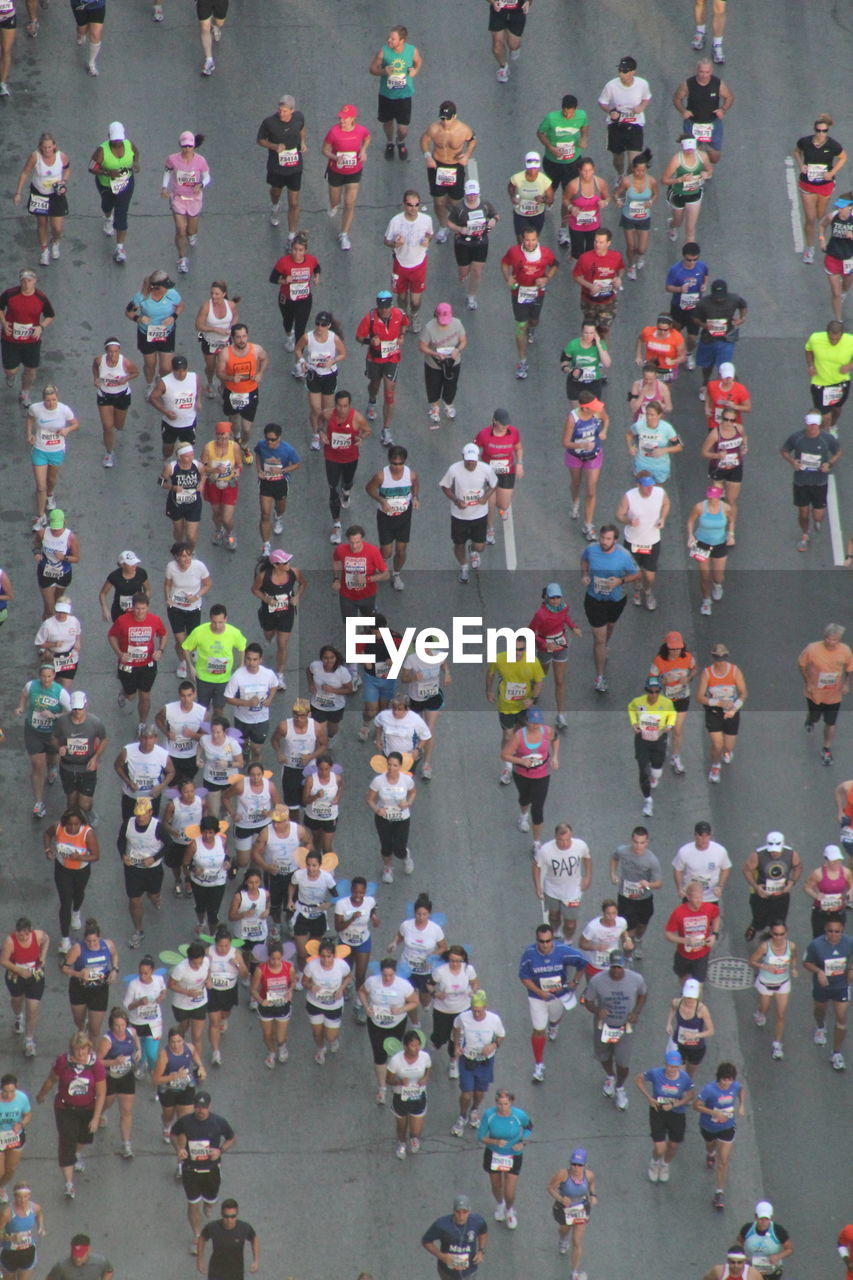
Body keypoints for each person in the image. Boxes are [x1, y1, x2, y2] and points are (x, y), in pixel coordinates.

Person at [35, 1030, 106, 1200]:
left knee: (83, 1138)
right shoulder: (63, 1062)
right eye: (77, 1049)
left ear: (89, 1048)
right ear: (71, 1049)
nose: (80, 1053)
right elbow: (52, 1079)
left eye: (83, 1049)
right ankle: (69, 1184)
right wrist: (42, 1094)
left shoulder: (96, 1065)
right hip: (65, 1109)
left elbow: (101, 1093)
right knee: (67, 1142)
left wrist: (96, 1117)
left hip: (88, 1109)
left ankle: (77, 1154)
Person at [518, 923, 584, 1083]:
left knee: (554, 1018)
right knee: (539, 1029)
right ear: (537, 941)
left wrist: (575, 981)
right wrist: (540, 992)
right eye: (542, 941)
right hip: (537, 997)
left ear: (553, 940)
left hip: (558, 995)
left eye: (548, 941)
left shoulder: (563, 951)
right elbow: (523, 977)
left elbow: (582, 962)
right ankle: (539, 1064)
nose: (545, 945)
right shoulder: (529, 954)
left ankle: (554, 1026)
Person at [579, 524, 640, 692]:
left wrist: (620, 581)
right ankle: (599, 676)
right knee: (599, 637)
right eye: (602, 538)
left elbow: (636, 573)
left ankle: (603, 647)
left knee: (609, 629)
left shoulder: (623, 555)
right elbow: (584, 559)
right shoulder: (591, 549)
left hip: (616, 599)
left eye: (608, 539)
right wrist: (584, 575)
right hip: (594, 599)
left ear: (615, 540)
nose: (604, 542)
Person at [584, 950, 647, 1109]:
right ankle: (610, 1076)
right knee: (603, 1056)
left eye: (619, 967)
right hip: (603, 1026)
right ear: (609, 966)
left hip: (624, 1027)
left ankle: (619, 1087)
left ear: (624, 966)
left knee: (623, 1062)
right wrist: (597, 1010)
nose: (617, 971)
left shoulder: (636, 979)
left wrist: (636, 1012)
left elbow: (643, 994)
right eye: (614, 967)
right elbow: (587, 1000)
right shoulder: (597, 981)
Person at [172, 1092, 236, 1243]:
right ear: (194, 1107)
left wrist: (220, 1150)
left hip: (211, 1170)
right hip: (191, 1170)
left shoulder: (218, 1122)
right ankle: (197, 1236)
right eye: (198, 1107)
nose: (201, 1111)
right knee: (193, 1204)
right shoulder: (185, 1122)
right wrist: (179, 1149)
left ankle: (208, 1205)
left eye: (204, 1107)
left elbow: (231, 1138)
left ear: (210, 1106)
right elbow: (174, 1134)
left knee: (210, 1200)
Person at [500, 226, 558, 379]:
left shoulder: (545, 253)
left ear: (537, 239)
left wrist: (547, 278)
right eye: (527, 240)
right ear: (522, 240)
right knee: (520, 326)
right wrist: (508, 278)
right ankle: (522, 360)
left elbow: (555, 265)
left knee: (534, 320)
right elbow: (505, 263)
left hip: (537, 293)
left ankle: (532, 328)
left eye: (533, 240)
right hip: (518, 292)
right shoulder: (514, 252)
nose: (530, 243)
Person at [780, 410, 842, 552]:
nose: (813, 427)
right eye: (810, 423)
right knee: (803, 512)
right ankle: (805, 535)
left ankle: (817, 517)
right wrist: (792, 461)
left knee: (818, 516)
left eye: (816, 424)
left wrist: (829, 464)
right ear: (806, 423)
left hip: (819, 482)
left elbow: (838, 452)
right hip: (801, 481)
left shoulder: (827, 439)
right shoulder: (797, 437)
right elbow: (784, 451)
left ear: (819, 424)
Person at [355, 291, 410, 444]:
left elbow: (405, 323)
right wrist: (370, 341)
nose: (384, 310)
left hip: (392, 358)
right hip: (375, 359)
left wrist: (402, 336)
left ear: (391, 305)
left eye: (387, 307)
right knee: (374, 384)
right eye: (381, 307)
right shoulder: (370, 318)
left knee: (389, 392)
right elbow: (358, 337)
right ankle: (372, 401)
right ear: (377, 305)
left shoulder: (399, 314)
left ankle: (386, 430)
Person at [16, 663, 69, 818]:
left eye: (49, 676)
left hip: (52, 733)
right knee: (37, 765)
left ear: (54, 676)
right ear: (40, 676)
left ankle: (52, 767)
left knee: (52, 756)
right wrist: (21, 707)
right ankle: (39, 803)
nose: (46, 680)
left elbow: (71, 711)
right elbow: (24, 695)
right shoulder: (31, 686)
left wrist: (55, 716)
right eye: (44, 676)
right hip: (33, 731)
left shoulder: (60, 692)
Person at [419, 101, 478, 241]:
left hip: (455, 166)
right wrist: (427, 156)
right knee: (438, 201)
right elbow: (423, 141)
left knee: (454, 202)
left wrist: (467, 155)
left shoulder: (464, 130)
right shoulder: (434, 128)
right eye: (443, 119)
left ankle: (459, 223)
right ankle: (443, 226)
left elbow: (473, 140)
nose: (445, 122)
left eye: (448, 119)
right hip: (437, 166)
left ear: (455, 116)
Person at [634, 1049, 695, 1182]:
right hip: (658, 1111)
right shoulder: (656, 1073)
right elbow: (638, 1079)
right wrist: (649, 1098)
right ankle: (655, 1162)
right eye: (669, 1066)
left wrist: (677, 1104)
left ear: (679, 1066)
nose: (671, 1069)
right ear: (664, 1064)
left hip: (677, 1114)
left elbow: (691, 1094)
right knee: (660, 1147)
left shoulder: (684, 1078)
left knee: (673, 1145)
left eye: (675, 1067)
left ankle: (665, 1164)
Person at [439, 444, 497, 583]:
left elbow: (494, 484)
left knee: (480, 546)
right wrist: (456, 500)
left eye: (473, 460)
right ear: (463, 457)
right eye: (468, 460)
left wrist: (486, 497)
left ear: (477, 458)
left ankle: (473, 550)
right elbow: (445, 486)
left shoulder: (486, 469)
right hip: (459, 516)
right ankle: (464, 567)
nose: (471, 463)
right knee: (459, 544)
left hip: (479, 515)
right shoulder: (454, 469)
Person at [501, 707, 557, 850]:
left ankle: (537, 843)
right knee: (525, 799)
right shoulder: (519, 736)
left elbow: (555, 739)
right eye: (532, 722)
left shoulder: (546, 731)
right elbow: (505, 755)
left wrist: (555, 756)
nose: (536, 725)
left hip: (542, 774)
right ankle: (523, 815)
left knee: (538, 808)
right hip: (522, 774)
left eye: (538, 722)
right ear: (527, 721)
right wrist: (521, 761)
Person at [107, 595, 167, 727]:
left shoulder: (155, 620)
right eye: (138, 609)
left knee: (145, 695)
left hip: (148, 664)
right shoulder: (122, 620)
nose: (140, 612)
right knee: (131, 696)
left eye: (143, 608)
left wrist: (160, 650)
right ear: (132, 608)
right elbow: (111, 636)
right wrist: (119, 653)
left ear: (148, 607)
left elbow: (163, 634)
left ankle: (142, 722)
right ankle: (124, 692)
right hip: (128, 665)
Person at [526, 584, 579, 731]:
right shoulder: (541, 614)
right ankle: (530, 699)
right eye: (552, 598)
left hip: (561, 645)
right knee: (540, 678)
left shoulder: (564, 607)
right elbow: (530, 631)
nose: (556, 601)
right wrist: (544, 643)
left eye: (558, 597)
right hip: (545, 648)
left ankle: (561, 715)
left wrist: (573, 627)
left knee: (560, 681)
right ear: (546, 598)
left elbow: (565, 617)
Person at [365, 445, 419, 591]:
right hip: (385, 517)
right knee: (386, 552)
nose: (397, 467)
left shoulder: (411, 475)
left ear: (405, 462)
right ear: (389, 461)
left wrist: (415, 498)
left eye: (400, 463)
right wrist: (381, 501)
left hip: (404, 516)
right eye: (394, 464)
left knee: (401, 549)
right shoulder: (381, 476)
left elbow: (415, 486)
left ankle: (396, 574)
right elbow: (369, 489)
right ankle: (379, 565)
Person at [798, 623, 853, 765]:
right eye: (828, 639)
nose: (830, 642)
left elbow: (849, 668)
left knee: (830, 722)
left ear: (839, 639)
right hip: (815, 692)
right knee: (815, 717)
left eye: (834, 639)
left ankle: (826, 748)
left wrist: (847, 683)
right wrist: (808, 682)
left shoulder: (845, 650)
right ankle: (810, 720)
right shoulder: (812, 648)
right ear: (824, 637)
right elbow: (801, 664)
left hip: (834, 694)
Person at [13, 133, 71, 265]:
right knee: (42, 223)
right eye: (44, 147)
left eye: (50, 147)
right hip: (39, 193)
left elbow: (67, 170)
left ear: (54, 146)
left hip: (56, 195)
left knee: (57, 227)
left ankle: (55, 242)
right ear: (40, 147)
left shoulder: (61, 156)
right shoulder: (35, 157)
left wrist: (63, 181)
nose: (47, 150)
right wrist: (18, 193)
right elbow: (25, 173)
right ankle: (44, 251)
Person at [320, 389, 370, 543]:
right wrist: (320, 432)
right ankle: (336, 524)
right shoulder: (328, 414)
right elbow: (319, 421)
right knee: (333, 489)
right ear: (335, 405)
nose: (342, 409)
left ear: (349, 405)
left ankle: (347, 491)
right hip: (332, 457)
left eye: (345, 406)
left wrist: (361, 438)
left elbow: (367, 430)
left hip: (350, 457)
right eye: (340, 406)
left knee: (347, 482)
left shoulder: (357, 418)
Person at [794, 117, 846, 264]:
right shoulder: (805, 142)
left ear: (827, 131)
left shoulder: (833, 145)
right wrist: (801, 165)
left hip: (825, 185)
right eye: (818, 130)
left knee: (819, 214)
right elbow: (797, 152)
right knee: (810, 219)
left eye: (824, 131)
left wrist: (832, 173)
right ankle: (810, 248)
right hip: (807, 184)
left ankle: (823, 231)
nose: (821, 133)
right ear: (814, 130)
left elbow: (843, 157)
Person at [615, 471, 670, 612]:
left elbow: (666, 504)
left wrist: (662, 518)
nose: (649, 489)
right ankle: (637, 589)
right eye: (646, 486)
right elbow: (619, 515)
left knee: (650, 575)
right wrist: (629, 521)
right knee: (635, 572)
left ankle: (648, 592)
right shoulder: (629, 497)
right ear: (638, 485)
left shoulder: (659, 492)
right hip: (633, 541)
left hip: (652, 541)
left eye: (651, 485)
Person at [477, 1089, 531, 1230]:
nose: (503, 1107)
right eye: (500, 1104)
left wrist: (522, 1142)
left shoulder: (519, 1115)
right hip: (494, 1153)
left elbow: (528, 1127)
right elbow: (481, 1136)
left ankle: (509, 1209)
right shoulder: (489, 1115)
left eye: (506, 1104)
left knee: (509, 1191)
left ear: (511, 1103)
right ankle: (500, 1204)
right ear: (496, 1103)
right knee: (496, 1186)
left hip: (513, 1154)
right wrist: (495, 1142)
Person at [118, 796, 169, 947]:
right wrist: (123, 855)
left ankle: (154, 897)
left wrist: (154, 858)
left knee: (153, 894)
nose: (140, 818)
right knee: (134, 900)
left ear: (151, 812)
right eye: (138, 814)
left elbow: (169, 844)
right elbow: (120, 840)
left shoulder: (158, 827)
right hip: (133, 868)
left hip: (152, 869)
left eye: (143, 814)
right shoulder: (128, 824)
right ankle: (138, 930)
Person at [0, 268, 55, 407]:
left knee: (30, 369)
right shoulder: (10, 294)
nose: (26, 284)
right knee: (11, 369)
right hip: (10, 339)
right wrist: (4, 322)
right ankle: (10, 375)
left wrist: (41, 327)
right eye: (23, 281)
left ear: (35, 281)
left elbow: (50, 315)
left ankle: (25, 393)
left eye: (29, 281)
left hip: (31, 341)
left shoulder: (40, 297)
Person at [694, 1063, 746, 1209]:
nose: (726, 1083)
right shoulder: (709, 1090)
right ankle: (710, 1152)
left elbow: (741, 1090)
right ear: (719, 1078)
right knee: (710, 1145)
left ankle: (719, 1192)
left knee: (723, 1161)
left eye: (729, 1080)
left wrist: (742, 1105)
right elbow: (696, 1105)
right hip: (708, 1126)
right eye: (724, 1080)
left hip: (727, 1127)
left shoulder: (735, 1086)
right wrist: (714, 1113)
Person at [26, 386, 78, 529]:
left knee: (51, 479)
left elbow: (75, 424)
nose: (51, 403)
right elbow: (30, 418)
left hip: (56, 450)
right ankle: (41, 516)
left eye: (54, 399)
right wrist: (29, 434)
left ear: (57, 398)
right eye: (48, 400)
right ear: (43, 400)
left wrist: (67, 429)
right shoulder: (35, 408)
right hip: (40, 450)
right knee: (40, 486)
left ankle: (50, 494)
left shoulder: (64, 409)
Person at [52, 692, 109, 823]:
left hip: (87, 767)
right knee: (71, 801)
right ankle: (73, 821)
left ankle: (88, 811)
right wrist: (58, 748)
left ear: (86, 705)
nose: (77, 712)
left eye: (80, 708)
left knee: (84, 803)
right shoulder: (62, 722)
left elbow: (104, 739)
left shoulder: (95, 722)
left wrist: (95, 758)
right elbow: (53, 737)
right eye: (75, 709)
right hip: (67, 766)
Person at [215, 324, 269, 464]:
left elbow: (264, 358)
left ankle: (244, 445)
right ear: (232, 338)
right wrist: (231, 378)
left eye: (244, 336)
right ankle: (236, 438)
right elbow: (219, 373)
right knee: (233, 420)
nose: (242, 340)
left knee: (247, 428)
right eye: (238, 337)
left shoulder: (256, 349)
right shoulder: (225, 353)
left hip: (250, 392)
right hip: (232, 392)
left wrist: (260, 373)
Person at [321, 104, 371, 251]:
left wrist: (363, 151)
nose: (341, 121)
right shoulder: (333, 132)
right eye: (340, 118)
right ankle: (333, 206)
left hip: (354, 171)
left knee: (349, 203)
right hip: (336, 170)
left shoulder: (360, 130)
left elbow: (367, 138)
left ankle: (344, 234)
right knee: (335, 200)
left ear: (353, 119)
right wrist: (335, 158)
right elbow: (324, 150)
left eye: (345, 118)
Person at [125, 268, 183, 393]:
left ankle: (162, 384)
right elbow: (129, 312)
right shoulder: (141, 297)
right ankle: (150, 384)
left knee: (166, 368)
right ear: (156, 287)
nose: (167, 288)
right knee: (150, 364)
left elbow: (180, 305)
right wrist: (139, 319)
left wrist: (173, 317)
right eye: (165, 286)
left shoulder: (172, 294)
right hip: (147, 334)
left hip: (167, 333)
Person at [696, 643, 747, 781]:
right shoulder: (707, 673)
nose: (720, 662)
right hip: (714, 712)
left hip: (731, 711)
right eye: (717, 658)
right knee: (717, 744)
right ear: (713, 658)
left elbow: (743, 693)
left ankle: (727, 752)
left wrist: (734, 708)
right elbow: (699, 697)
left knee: (728, 747)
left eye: (723, 658)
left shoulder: (735, 671)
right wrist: (717, 703)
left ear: (727, 657)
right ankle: (715, 766)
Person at [532, 824, 591, 942]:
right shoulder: (546, 850)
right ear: (555, 837)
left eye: (567, 840)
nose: (564, 844)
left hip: (573, 891)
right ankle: (555, 931)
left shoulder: (580, 846)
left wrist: (587, 876)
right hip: (552, 890)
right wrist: (538, 886)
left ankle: (568, 940)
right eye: (560, 840)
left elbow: (587, 858)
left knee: (570, 923)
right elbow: (536, 866)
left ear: (571, 836)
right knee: (554, 915)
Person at [88, 124, 139, 262]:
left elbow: (136, 153)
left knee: (121, 213)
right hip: (106, 185)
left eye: (120, 140)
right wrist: (106, 172)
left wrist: (135, 163)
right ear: (109, 137)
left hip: (125, 183)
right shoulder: (101, 151)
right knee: (107, 206)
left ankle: (120, 248)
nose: (117, 143)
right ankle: (108, 217)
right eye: (114, 140)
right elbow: (91, 167)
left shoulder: (129, 144)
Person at [256, 94, 306, 234]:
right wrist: (274, 146)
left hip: (295, 167)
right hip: (276, 167)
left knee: (294, 202)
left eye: (284, 111)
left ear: (292, 111)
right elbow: (260, 140)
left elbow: (302, 128)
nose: (281, 113)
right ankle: (275, 205)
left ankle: (291, 235)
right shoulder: (269, 122)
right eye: (279, 110)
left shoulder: (298, 118)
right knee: (276, 192)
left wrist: (302, 143)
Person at [369, 26, 422, 160]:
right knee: (387, 123)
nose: (389, 40)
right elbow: (372, 69)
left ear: (402, 40)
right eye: (389, 38)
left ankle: (400, 141)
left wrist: (415, 71)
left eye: (393, 39)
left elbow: (418, 61)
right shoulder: (383, 52)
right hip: (386, 95)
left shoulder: (412, 51)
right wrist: (383, 71)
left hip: (404, 96)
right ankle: (390, 142)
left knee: (403, 129)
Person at [223, 643, 281, 764]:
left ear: (260, 660)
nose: (251, 662)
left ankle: (254, 770)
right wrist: (247, 703)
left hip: (261, 719)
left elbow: (274, 685)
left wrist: (270, 698)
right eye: (248, 659)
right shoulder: (238, 676)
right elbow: (227, 698)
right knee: (242, 744)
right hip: (242, 719)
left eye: (255, 659)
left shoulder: (268, 674)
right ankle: (244, 751)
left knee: (257, 749)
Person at [627, 677, 676, 817]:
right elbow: (630, 708)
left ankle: (654, 776)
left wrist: (669, 725)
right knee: (643, 769)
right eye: (650, 691)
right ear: (646, 690)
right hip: (642, 739)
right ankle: (648, 800)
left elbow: (672, 714)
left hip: (659, 739)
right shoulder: (638, 701)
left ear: (660, 691)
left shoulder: (666, 703)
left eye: (656, 692)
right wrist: (634, 723)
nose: (653, 694)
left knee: (657, 768)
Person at [384, 191, 434, 331]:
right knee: (401, 295)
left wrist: (427, 240)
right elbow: (386, 240)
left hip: (419, 264)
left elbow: (430, 234)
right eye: (410, 205)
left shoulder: (426, 219)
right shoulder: (396, 221)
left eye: (416, 205)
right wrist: (395, 244)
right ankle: (403, 316)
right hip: (400, 263)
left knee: (415, 300)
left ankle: (414, 314)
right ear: (404, 205)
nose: (413, 208)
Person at [749, 922, 799, 1060]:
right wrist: (764, 966)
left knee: (780, 1015)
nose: (779, 937)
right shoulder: (765, 947)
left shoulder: (791, 946)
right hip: (766, 982)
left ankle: (777, 1044)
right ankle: (760, 1012)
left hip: (783, 982)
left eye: (782, 934)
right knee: (765, 1007)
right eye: (776, 934)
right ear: (771, 933)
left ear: (786, 933)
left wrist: (794, 968)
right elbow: (751, 961)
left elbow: (793, 957)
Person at [161, 133, 210, 274]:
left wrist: (201, 184)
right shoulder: (172, 159)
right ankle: (182, 258)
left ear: (194, 146)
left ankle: (192, 235)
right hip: (178, 198)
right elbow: (167, 172)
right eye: (184, 146)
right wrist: (164, 187)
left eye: (189, 146)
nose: (187, 149)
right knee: (180, 230)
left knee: (190, 231)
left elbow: (207, 177)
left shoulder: (201, 161)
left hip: (194, 199)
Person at [446, 180, 499, 310]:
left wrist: (493, 220)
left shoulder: (485, 205)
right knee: (464, 272)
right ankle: (463, 273)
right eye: (469, 194)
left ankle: (471, 297)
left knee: (476, 272)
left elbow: (496, 215)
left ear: (478, 193)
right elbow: (449, 223)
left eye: (474, 194)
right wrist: (460, 229)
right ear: (465, 194)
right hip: (462, 243)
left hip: (480, 241)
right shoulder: (458, 208)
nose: (472, 197)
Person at [610, 827, 662, 958]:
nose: (638, 846)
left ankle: (638, 941)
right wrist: (613, 873)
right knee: (628, 930)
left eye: (642, 843)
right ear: (631, 840)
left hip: (644, 898)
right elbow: (614, 858)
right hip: (626, 896)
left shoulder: (652, 860)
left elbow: (659, 883)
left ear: (647, 842)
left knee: (641, 926)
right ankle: (628, 955)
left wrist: (649, 885)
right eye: (636, 842)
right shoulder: (623, 851)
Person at [181, 605, 246, 711]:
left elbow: (242, 647)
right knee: (202, 710)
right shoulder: (199, 632)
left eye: (220, 622)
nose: (217, 626)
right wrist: (190, 667)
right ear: (210, 618)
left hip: (223, 679)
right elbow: (185, 647)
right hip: (203, 678)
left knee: (219, 709)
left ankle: (217, 727)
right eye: (214, 622)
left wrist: (241, 665)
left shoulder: (234, 633)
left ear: (226, 619)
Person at [563, 394, 609, 541]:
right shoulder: (573, 419)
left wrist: (603, 431)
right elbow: (565, 442)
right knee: (576, 483)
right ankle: (575, 501)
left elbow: (606, 419)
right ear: (584, 407)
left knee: (591, 489)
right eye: (593, 406)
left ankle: (588, 524)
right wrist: (581, 445)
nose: (597, 408)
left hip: (593, 455)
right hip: (575, 455)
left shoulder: (597, 411)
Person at [96, 1007, 140, 1158]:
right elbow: (97, 1062)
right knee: (107, 1102)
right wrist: (114, 1061)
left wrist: (139, 1050)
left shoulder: (131, 1032)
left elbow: (136, 1038)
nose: (120, 1029)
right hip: (110, 1076)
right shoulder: (107, 1041)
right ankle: (100, 1112)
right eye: (117, 1026)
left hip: (126, 1075)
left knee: (126, 1110)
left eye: (123, 1025)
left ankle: (126, 1144)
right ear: (111, 1026)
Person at [742, 831, 802, 942]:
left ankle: (772, 941)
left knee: (779, 922)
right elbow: (746, 870)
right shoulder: (757, 855)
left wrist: (792, 882)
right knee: (760, 921)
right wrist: (756, 887)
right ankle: (755, 926)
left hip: (781, 895)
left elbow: (798, 867)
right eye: (772, 850)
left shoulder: (791, 854)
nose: (774, 853)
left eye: (777, 851)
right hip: (761, 895)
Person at [1, 917, 48, 1057]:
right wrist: (19, 970)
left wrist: (43, 957)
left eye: (26, 935)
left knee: (33, 1008)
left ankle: (29, 1040)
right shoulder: (10, 941)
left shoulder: (38, 935)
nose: (23, 937)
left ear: (30, 931)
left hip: (35, 974)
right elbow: (3, 960)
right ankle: (18, 1016)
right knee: (17, 1000)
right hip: (16, 975)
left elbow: (47, 940)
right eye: (20, 935)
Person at [598, 56, 652, 176]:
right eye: (620, 71)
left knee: (634, 162)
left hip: (635, 123)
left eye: (625, 71)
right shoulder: (611, 86)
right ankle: (620, 174)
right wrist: (610, 111)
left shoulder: (642, 84)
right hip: (616, 124)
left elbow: (646, 97)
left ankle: (627, 179)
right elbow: (602, 102)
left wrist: (642, 107)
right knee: (618, 158)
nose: (621, 74)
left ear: (633, 72)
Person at [672, 60, 734, 165]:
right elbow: (677, 99)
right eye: (701, 72)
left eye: (707, 72)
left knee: (715, 158)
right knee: (690, 153)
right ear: (697, 71)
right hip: (692, 123)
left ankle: (704, 160)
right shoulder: (688, 84)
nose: (704, 75)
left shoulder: (717, 83)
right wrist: (683, 111)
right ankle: (696, 171)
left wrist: (723, 109)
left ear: (711, 71)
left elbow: (729, 97)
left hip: (712, 122)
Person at [270, 233, 320, 360]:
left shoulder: (311, 260)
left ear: (305, 251)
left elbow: (316, 267)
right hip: (287, 299)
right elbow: (273, 278)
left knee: (300, 330)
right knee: (287, 323)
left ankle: (299, 363)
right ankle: (289, 335)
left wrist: (316, 276)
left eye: (300, 250)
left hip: (304, 300)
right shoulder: (284, 262)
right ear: (291, 249)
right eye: (295, 249)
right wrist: (285, 281)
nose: (297, 253)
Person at [686, 484, 735, 614]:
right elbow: (691, 521)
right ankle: (706, 600)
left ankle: (717, 586)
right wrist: (690, 535)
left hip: (719, 544)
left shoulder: (726, 508)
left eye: (715, 497)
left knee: (718, 577)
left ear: (720, 497)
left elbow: (731, 521)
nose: (712, 499)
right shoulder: (699, 507)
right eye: (710, 496)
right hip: (701, 544)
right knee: (704, 575)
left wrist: (731, 534)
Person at [367, 753, 416, 882]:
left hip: (402, 818)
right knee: (386, 846)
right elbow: (370, 799)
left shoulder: (406, 780)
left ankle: (405, 856)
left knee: (399, 849)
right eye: (389, 764)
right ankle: (387, 868)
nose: (391, 768)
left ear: (400, 766)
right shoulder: (378, 780)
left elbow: (413, 792)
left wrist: (408, 803)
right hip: (384, 818)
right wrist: (377, 810)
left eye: (395, 765)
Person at [163, 542, 211, 673]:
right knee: (181, 641)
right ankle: (184, 663)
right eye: (183, 556)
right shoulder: (171, 567)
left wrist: (196, 596)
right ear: (177, 557)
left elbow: (207, 584)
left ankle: (190, 653)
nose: (186, 559)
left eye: (189, 555)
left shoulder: (199, 566)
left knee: (192, 639)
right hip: (176, 608)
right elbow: (167, 584)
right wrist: (167, 598)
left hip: (193, 609)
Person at [151, 1026, 205, 1143]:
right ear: (169, 1041)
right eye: (173, 1042)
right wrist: (174, 1076)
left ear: (183, 1041)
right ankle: (166, 1126)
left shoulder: (189, 1048)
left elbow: (194, 1054)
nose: (176, 1045)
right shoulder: (164, 1056)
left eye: (179, 1041)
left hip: (186, 1087)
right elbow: (155, 1080)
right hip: (168, 1089)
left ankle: (182, 1148)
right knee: (168, 1115)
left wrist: (200, 1066)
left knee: (185, 1119)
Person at [547, 1149, 598, 1272]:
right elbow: (550, 1188)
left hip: (581, 1207)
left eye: (579, 1165)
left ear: (584, 1165)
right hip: (564, 1208)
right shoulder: (563, 1174)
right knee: (564, 1230)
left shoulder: (589, 1175)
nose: (576, 1167)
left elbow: (591, 1185)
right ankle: (563, 1239)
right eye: (573, 1164)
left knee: (576, 1241)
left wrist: (593, 1195)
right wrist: (560, 1198)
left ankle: (574, 1272)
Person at [92, 338, 140, 467]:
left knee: (118, 426)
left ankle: (116, 428)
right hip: (104, 395)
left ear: (119, 351)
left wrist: (126, 378)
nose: (113, 354)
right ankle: (109, 453)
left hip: (122, 395)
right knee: (107, 426)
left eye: (115, 351)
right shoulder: (99, 360)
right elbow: (95, 367)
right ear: (106, 351)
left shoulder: (125, 363)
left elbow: (136, 372)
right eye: (110, 351)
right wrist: (96, 378)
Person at [253, 423, 300, 554]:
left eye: (273, 439)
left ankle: (278, 517)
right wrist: (259, 470)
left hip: (281, 483)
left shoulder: (288, 450)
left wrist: (283, 470)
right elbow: (257, 454)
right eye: (267, 439)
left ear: (279, 438)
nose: (269, 442)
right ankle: (266, 544)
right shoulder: (261, 445)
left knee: (280, 507)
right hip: (266, 483)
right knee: (264, 514)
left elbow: (296, 464)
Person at [694, 278, 747, 392]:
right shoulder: (703, 303)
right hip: (708, 337)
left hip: (727, 337)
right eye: (717, 296)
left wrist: (741, 319)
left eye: (722, 296)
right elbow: (695, 318)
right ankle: (706, 383)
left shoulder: (734, 298)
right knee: (707, 364)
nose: (719, 299)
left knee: (724, 365)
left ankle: (720, 388)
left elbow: (743, 306)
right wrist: (703, 325)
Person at [700, 403, 747, 531]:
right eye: (725, 419)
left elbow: (744, 438)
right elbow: (704, 452)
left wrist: (744, 447)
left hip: (735, 468)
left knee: (731, 500)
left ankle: (731, 530)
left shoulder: (739, 429)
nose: (728, 423)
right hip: (718, 469)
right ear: (721, 419)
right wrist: (717, 455)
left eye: (732, 420)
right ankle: (716, 524)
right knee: (716, 499)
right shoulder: (715, 434)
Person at [537, 95, 590, 210]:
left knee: (568, 193)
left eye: (570, 113)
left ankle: (564, 224)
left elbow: (584, 127)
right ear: (562, 109)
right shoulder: (551, 118)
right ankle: (549, 203)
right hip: (553, 161)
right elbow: (540, 133)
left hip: (573, 162)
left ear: (576, 109)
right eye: (565, 113)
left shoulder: (582, 115)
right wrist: (551, 148)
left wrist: (584, 138)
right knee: (551, 187)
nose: (567, 116)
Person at [386, 1027, 431, 1159]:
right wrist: (399, 1082)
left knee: (416, 1129)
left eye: (418, 1045)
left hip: (418, 1096)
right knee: (401, 1125)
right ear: (405, 1046)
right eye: (413, 1046)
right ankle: (402, 1143)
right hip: (400, 1097)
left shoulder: (424, 1056)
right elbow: (388, 1079)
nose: (416, 1049)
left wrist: (425, 1078)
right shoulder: (396, 1060)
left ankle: (414, 1138)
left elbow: (429, 1068)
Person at [572, 228, 626, 339]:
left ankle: (602, 354)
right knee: (588, 332)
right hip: (589, 301)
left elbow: (621, 268)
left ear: (608, 243)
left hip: (608, 301)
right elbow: (576, 276)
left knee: (604, 332)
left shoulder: (615, 257)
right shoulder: (585, 258)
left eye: (601, 242)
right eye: (596, 241)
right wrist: (590, 286)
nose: (597, 245)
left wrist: (619, 278)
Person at [665, 880, 720, 982]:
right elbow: (668, 934)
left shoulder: (709, 908)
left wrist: (714, 935)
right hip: (683, 954)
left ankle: (697, 998)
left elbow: (716, 917)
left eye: (700, 897)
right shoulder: (678, 913)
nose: (699, 901)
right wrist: (685, 941)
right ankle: (684, 995)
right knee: (683, 978)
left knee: (698, 983)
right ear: (688, 897)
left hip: (702, 955)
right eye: (695, 898)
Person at [419, 302, 466, 423]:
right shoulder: (429, 328)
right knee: (433, 386)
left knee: (451, 386)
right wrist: (435, 354)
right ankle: (435, 408)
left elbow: (463, 340)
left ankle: (448, 405)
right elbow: (422, 347)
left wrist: (458, 349)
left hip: (453, 362)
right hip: (434, 364)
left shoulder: (457, 324)